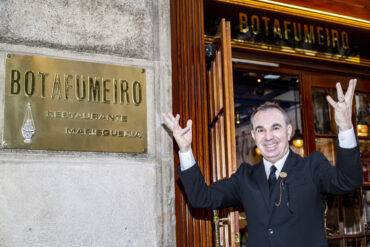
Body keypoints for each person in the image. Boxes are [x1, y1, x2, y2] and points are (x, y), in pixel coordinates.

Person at [162, 79, 363, 247]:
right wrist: (185, 150)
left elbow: (348, 181)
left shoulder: (312, 166)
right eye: (260, 130)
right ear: (253, 136)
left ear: (288, 131)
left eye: (275, 128)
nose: (268, 137)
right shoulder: (245, 176)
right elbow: (201, 198)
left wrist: (345, 128)